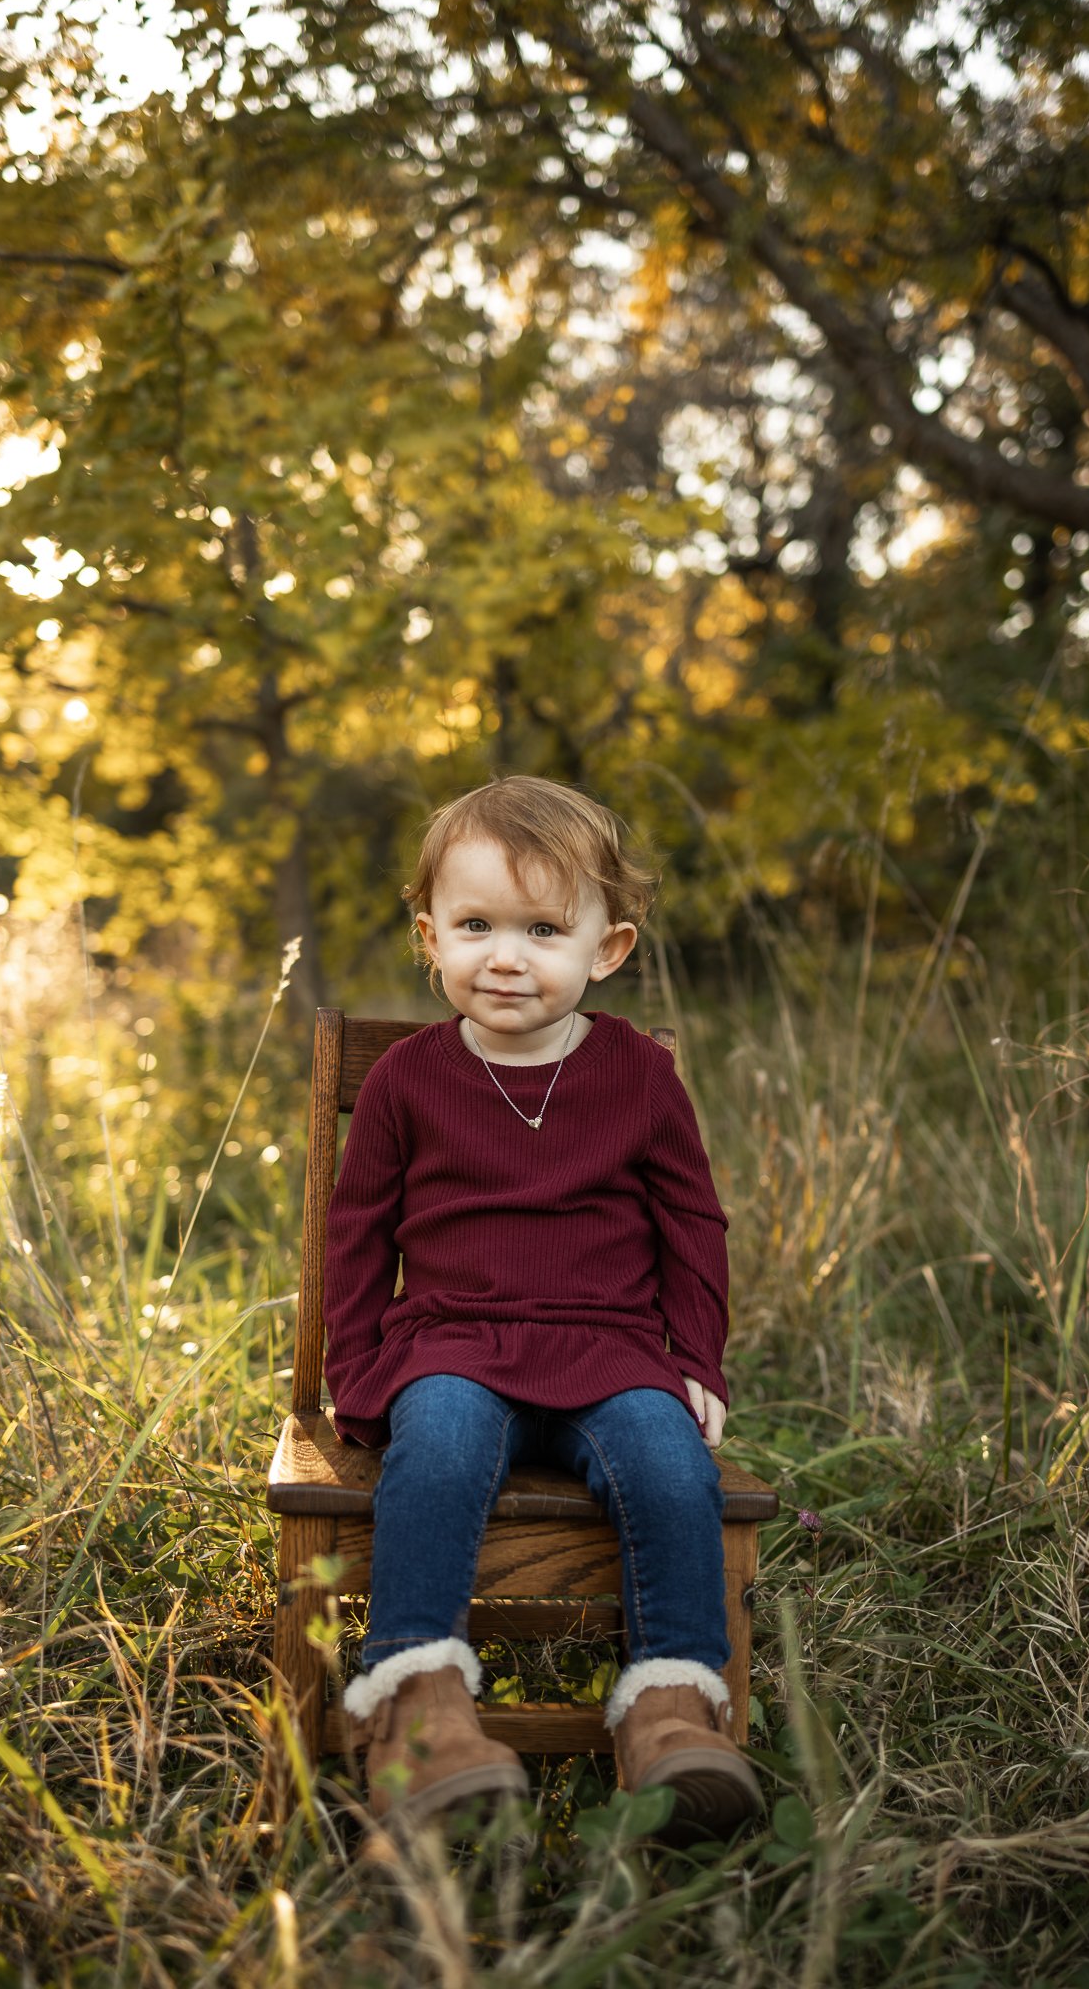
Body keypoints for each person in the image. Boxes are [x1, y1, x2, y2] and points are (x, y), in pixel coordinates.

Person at [322, 775, 763, 1841]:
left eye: (542, 930)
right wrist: (358, 1369)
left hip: (610, 1347)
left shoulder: (638, 1075)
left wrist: (697, 1359)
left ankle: (669, 1709)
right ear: (431, 936)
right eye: (475, 925)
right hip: (452, 1343)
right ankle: (421, 1713)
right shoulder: (405, 1080)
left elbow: (691, 1221)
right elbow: (357, 1233)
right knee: (437, 1447)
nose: (506, 956)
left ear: (605, 950)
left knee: (669, 1465)